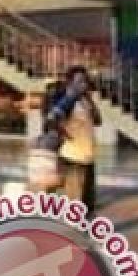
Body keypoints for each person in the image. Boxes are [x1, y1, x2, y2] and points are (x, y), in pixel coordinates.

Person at [53, 66, 101, 214]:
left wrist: (91, 101)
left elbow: (98, 121)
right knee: (75, 199)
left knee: (87, 201)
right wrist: (65, 134)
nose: (83, 84)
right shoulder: (66, 100)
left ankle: (83, 227)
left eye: (85, 81)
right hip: (72, 156)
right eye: (79, 81)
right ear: (70, 82)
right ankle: (73, 231)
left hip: (87, 155)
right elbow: (53, 119)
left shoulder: (85, 100)